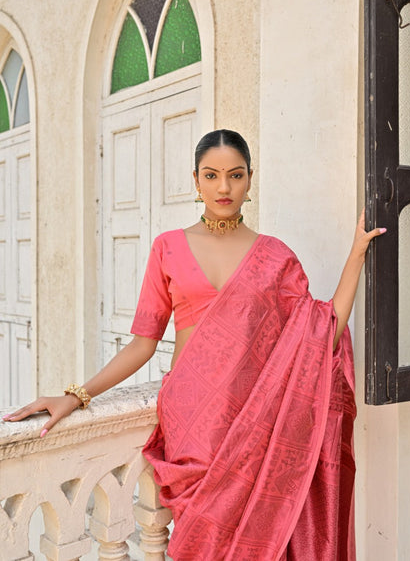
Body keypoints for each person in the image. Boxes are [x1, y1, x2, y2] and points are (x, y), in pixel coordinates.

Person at [3, 130, 385, 560]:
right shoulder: (167, 248)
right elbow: (142, 345)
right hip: (192, 424)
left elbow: (320, 334)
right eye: (212, 175)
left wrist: (357, 254)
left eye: (235, 175)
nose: (224, 187)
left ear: (250, 179)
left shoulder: (275, 257)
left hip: (255, 421)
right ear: (196, 180)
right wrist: (76, 395)